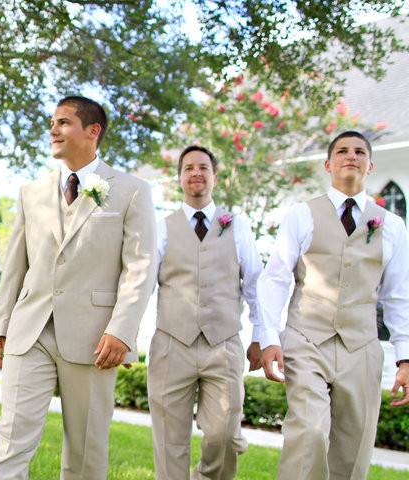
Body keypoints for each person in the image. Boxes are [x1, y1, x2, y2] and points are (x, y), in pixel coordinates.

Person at [0, 96, 156, 480]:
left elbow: (139, 267)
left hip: (96, 339)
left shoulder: (131, 190)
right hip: (30, 329)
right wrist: (0, 324)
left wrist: (121, 330)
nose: (53, 129)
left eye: (64, 122)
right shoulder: (31, 192)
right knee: (9, 441)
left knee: (86, 451)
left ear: (93, 132)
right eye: (52, 122)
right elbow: (16, 264)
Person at [258, 130, 409, 479]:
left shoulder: (393, 227)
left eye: (359, 151)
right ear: (328, 164)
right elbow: (277, 278)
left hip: (362, 345)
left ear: (370, 166)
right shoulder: (302, 214)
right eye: (342, 151)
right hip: (307, 339)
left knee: (353, 447)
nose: (351, 156)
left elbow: (398, 295)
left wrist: (405, 357)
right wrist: (268, 338)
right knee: (308, 432)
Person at [148, 145, 262, 480]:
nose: (196, 173)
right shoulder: (162, 227)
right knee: (169, 440)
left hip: (223, 344)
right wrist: (123, 335)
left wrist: (261, 336)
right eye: (188, 168)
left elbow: (255, 284)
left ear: (214, 176)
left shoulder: (237, 226)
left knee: (224, 434)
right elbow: (142, 285)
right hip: (172, 343)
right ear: (179, 178)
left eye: (203, 167)